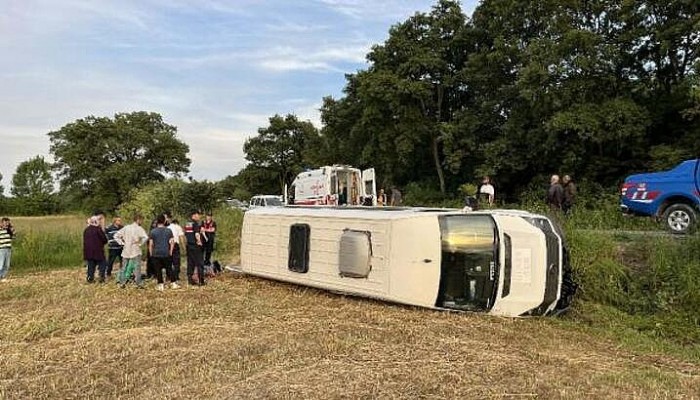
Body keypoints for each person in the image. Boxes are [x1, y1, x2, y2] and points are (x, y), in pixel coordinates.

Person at [114, 213, 149, 289]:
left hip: (126, 249)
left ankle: (122, 283)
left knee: (124, 266)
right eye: (141, 220)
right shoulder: (139, 228)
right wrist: (140, 243)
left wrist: (122, 243)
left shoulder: (126, 227)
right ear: (138, 220)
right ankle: (138, 283)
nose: (142, 222)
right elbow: (145, 237)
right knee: (137, 267)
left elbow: (116, 235)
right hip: (135, 249)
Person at [149, 214, 176, 291]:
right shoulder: (168, 231)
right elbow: (172, 242)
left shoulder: (153, 231)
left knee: (158, 270)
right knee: (169, 269)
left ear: (157, 221)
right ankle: (173, 283)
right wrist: (170, 251)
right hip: (166, 252)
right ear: (164, 221)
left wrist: (151, 253)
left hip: (156, 253)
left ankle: (160, 284)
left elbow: (151, 244)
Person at [83, 215, 108, 283]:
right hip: (98, 251)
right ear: (96, 221)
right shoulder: (98, 229)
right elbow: (104, 239)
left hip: (88, 252)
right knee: (103, 264)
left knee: (91, 266)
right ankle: (101, 278)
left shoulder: (86, 230)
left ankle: (90, 278)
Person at [185, 210, 205, 286]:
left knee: (190, 263)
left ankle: (190, 280)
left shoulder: (187, 223)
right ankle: (201, 281)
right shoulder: (195, 223)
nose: (199, 217)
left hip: (189, 246)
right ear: (194, 215)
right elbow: (196, 234)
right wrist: (199, 241)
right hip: (195, 246)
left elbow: (186, 234)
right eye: (198, 215)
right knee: (199, 263)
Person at [168, 217, 186, 285]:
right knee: (176, 262)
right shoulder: (178, 227)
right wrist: (184, 248)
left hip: (168, 245)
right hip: (175, 245)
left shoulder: (168, 227)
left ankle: (169, 276)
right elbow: (181, 238)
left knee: (170, 261)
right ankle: (176, 277)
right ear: (177, 223)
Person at [0, 217, 15, 283]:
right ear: (2, 223)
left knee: (7, 264)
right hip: (2, 249)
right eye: (5, 222)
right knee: (1, 264)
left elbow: (14, 237)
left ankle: (3, 276)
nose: (6, 224)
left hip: (8, 249)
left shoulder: (9, 230)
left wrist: (12, 230)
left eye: (8, 223)